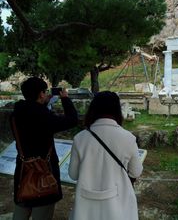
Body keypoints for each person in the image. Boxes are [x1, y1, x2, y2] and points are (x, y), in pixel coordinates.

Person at [68, 91, 143, 220]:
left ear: (93, 109)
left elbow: (73, 174)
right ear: (117, 110)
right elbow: (135, 172)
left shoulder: (79, 138)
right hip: (118, 204)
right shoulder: (128, 138)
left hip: (86, 207)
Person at [11, 77, 78, 220]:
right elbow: (72, 120)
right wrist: (65, 99)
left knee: (21, 207)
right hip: (43, 172)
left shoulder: (16, 114)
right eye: (45, 92)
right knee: (42, 211)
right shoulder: (42, 116)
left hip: (23, 169)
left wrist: (43, 104)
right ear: (41, 94)